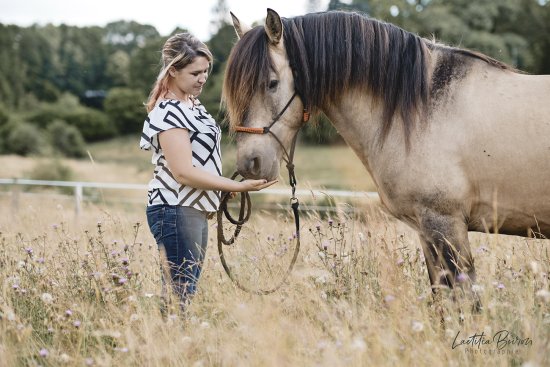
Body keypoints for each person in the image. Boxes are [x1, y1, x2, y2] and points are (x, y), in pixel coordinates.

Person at [140, 33, 275, 310]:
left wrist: (219, 189)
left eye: (206, 71)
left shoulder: (193, 105)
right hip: (175, 207)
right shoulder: (168, 112)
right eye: (195, 73)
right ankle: (168, 345)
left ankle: (171, 343)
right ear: (173, 71)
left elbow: (202, 161)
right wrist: (233, 186)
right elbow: (183, 173)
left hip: (192, 208)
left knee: (185, 291)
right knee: (180, 292)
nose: (203, 78)